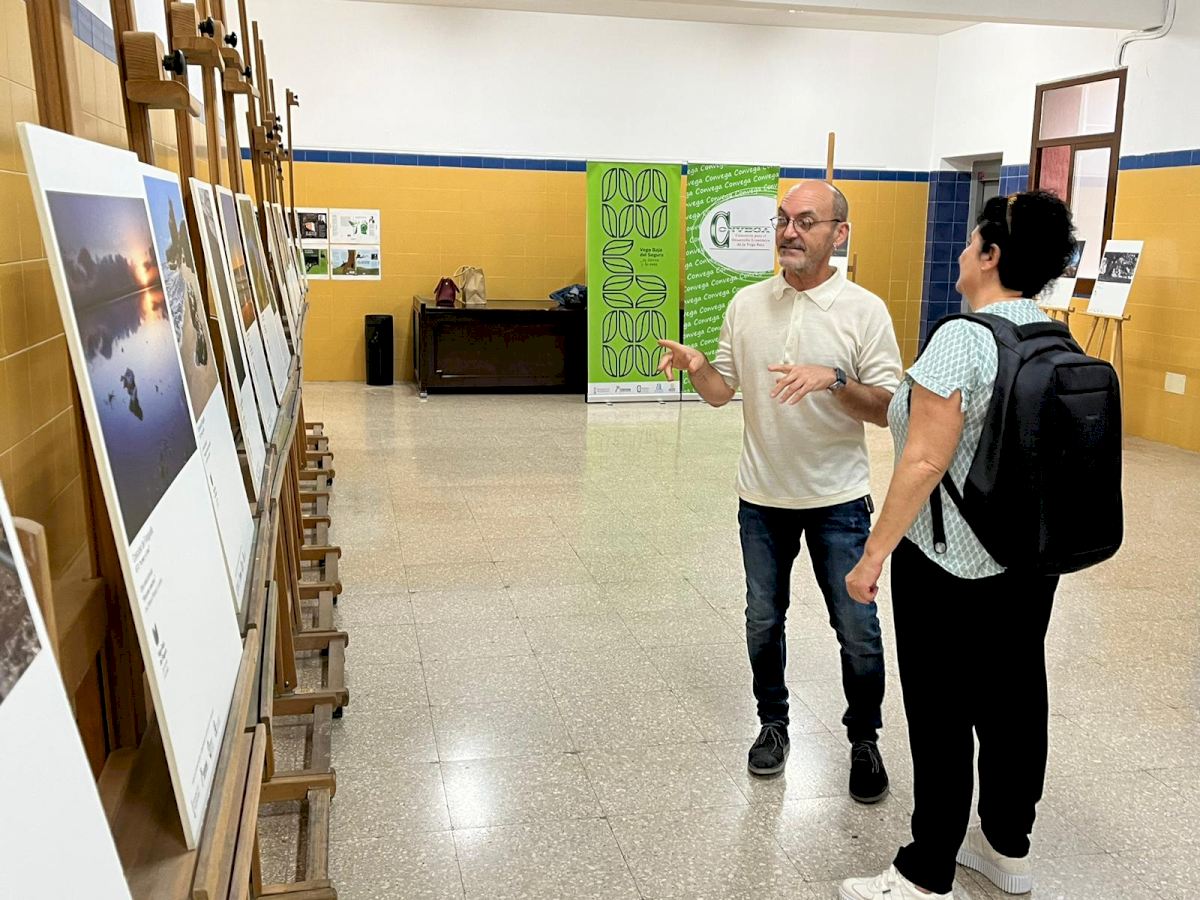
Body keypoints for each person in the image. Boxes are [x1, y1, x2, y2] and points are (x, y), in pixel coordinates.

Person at [839, 190, 1077, 900]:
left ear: (991, 255)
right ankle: (1007, 847)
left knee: (940, 708)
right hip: (1028, 559)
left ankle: (927, 868)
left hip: (948, 561)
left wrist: (873, 554)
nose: (965, 252)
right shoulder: (1053, 335)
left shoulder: (963, 338)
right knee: (1015, 696)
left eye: (974, 242)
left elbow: (922, 460)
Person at [657, 181, 902, 800]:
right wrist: (698, 368)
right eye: (782, 220)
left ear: (839, 234)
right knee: (764, 619)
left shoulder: (864, 310)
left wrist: (834, 380)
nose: (789, 232)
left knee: (857, 627)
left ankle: (864, 739)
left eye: (806, 221)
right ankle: (773, 724)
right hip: (762, 498)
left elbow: (886, 409)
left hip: (839, 500)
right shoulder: (747, 304)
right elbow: (721, 393)